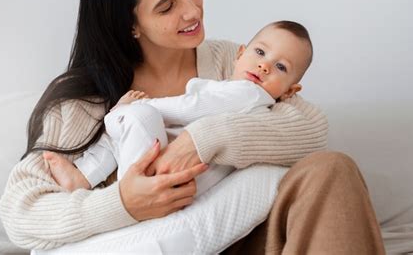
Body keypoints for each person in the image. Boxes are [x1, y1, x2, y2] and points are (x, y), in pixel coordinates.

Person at [0, 0, 385, 253]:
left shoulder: (229, 60)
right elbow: (20, 212)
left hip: (246, 237)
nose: (192, 11)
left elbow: (310, 128)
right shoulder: (82, 101)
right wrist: (124, 205)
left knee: (332, 169)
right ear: (129, 24)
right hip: (164, 242)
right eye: (167, 7)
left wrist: (205, 140)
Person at [43, 20, 312, 197]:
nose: (264, 66)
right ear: (240, 54)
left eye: (281, 67)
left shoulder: (248, 94)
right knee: (119, 137)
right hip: (167, 161)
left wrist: (140, 104)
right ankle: (85, 179)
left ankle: (90, 178)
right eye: (261, 53)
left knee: (134, 119)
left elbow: (190, 107)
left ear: (289, 91)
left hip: (169, 169)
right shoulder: (232, 87)